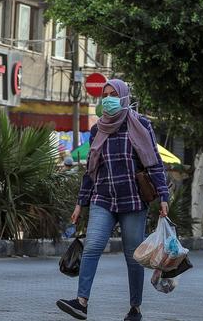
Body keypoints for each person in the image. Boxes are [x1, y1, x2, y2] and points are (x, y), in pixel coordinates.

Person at [56, 79, 170, 321]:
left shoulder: (141, 125)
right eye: (104, 94)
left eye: (112, 94)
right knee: (93, 247)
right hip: (103, 198)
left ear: (124, 97)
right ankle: (81, 302)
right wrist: (80, 203)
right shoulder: (99, 129)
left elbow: (154, 163)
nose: (108, 98)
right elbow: (91, 170)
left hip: (133, 200)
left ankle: (135, 308)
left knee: (133, 256)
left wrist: (163, 196)